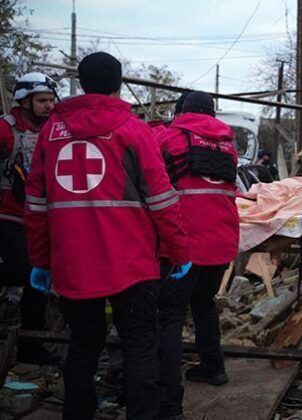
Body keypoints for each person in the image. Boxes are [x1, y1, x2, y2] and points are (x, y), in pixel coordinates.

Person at [24, 52, 191, 419]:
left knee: (83, 343)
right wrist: (179, 252)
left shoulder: (50, 133)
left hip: (73, 265)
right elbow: (162, 200)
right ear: (118, 84)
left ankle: (77, 413)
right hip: (131, 265)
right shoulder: (133, 130)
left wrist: (40, 260)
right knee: (139, 344)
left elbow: (35, 204)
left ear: (81, 83)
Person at [155, 91, 238, 418]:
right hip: (222, 241)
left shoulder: (168, 137)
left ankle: (169, 401)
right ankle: (213, 367)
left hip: (182, 243)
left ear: (181, 111)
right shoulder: (228, 143)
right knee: (204, 304)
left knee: (170, 317)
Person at [0, 72, 58, 364]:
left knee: (38, 281)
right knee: (24, 272)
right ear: (24, 102)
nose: (49, 106)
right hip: (9, 216)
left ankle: (32, 348)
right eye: (41, 100)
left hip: (42, 217)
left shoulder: (54, 130)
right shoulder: (6, 130)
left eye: (51, 100)